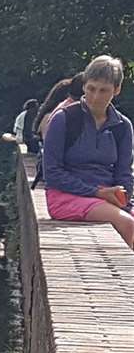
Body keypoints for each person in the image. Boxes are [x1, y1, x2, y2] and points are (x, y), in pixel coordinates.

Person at [41, 55, 133, 249]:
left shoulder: (123, 127)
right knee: (128, 224)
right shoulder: (64, 119)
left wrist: (122, 197)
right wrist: (97, 192)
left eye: (103, 91)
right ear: (84, 86)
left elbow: (124, 173)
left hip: (107, 196)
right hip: (66, 196)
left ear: (116, 90)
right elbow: (52, 173)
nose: (95, 97)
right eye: (91, 88)